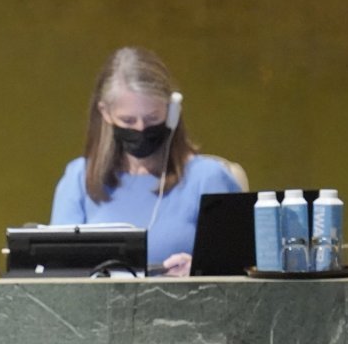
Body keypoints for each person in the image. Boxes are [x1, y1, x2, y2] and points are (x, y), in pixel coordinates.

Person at [49, 47, 241, 276]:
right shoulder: (79, 178)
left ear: (172, 112)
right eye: (128, 120)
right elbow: (57, 273)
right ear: (106, 113)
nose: (141, 129)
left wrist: (201, 269)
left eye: (152, 118)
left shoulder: (208, 178)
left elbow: (239, 271)